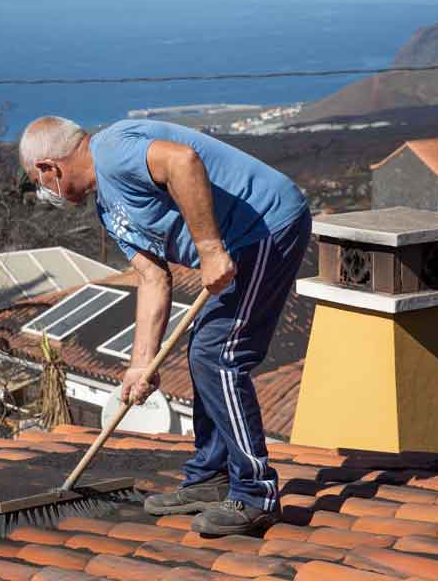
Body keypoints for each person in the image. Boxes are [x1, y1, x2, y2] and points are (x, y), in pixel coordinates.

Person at [19, 116, 310, 535]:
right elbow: (153, 279)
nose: (44, 190)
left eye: (39, 181)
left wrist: (210, 249)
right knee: (201, 351)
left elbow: (183, 161)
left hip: (267, 225)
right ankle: (210, 479)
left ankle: (255, 494)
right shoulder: (108, 210)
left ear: (50, 168)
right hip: (242, 242)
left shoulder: (114, 150)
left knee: (218, 353)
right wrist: (141, 364)